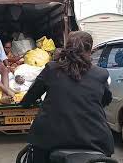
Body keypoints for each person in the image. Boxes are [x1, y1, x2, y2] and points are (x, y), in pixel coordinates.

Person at [18, 31, 114, 163]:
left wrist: (24, 104)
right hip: (96, 140)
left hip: (49, 140)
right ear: (90, 50)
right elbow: (106, 100)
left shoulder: (51, 69)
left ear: (67, 48)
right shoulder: (101, 74)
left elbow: (30, 97)